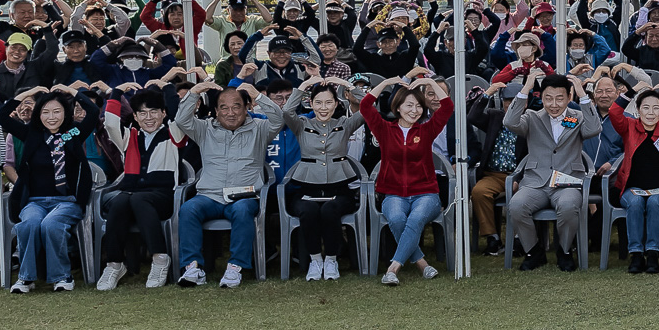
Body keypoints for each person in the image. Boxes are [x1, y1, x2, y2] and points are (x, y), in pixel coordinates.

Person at [172, 78, 276, 288]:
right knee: (188, 209)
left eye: (236, 107)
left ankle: (235, 268)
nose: (230, 113)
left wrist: (258, 96)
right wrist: (194, 92)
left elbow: (279, 119)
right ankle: (193, 268)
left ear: (247, 108)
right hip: (209, 195)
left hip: (243, 196)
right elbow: (182, 120)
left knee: (242, 211)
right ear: (216, 111)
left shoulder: (260, 128)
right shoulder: (204, 129)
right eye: (224, 108)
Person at [261, 78, 367, 281]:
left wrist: (346, 84)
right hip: (307, 187)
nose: (323, 107)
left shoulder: (345, 124)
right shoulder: (301, 124)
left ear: (337, 104)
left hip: (339, 188)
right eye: (318, 102)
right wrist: (302, 87)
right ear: (310, 103)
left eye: (328, 102)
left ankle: (331, 260)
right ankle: (315, 260)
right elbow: (286, 112)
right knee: (308, 212)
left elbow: (368, 108)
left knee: (329, 211)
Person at [0, 86, 99, 293]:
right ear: (38, 114)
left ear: (65, 113)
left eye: (56, 111)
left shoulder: (73, 134)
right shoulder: (32, 135)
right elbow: (1, 114)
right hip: (34, 200)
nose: (51, 117)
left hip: (66, 201)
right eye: (45, 112)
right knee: (29, 224)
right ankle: (26, 278)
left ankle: (62, 277)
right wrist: (29, 93)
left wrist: (71, 91)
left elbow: (94, 112)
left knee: (51, 225)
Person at [358, 72, 454, 285]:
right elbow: (365, 106)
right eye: (409, 106)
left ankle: (393, 268)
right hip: (393, 194)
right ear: (398, 107)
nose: (414, 111)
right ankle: (422, 264)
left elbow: (447, 107)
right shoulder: (384, 129)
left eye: (419, 106)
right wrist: (385, 82)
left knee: (416, 218)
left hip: (426, 194)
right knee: (397, 219)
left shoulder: (426, 129)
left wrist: (429, 82)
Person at [503, 72, 601, 271]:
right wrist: (525, 89)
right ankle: (534, 251)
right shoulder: (532, 117)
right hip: (535, 181)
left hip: (567, 181)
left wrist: (583, 95)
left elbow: (594, 129)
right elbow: (510, 123)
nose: (554, 104)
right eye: (548, 98)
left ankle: (564, 251)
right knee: (516, 205)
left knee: (567, 205)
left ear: (568, 97)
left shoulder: (578, 117)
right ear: (541, 97)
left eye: (559, 98)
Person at [93, 86, 187, 290]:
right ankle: (114, 264)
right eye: (142, 113)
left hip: (164, 196)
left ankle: (160, 259)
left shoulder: (174, 134)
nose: (149, 117)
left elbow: (179, 115)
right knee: (120, 201)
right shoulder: (130, 137)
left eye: (154, 111)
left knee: (135, 199)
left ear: (163, 113)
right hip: (133, 195)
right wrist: (116, 93)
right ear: (135, 116)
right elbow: (110, 123)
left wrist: (168, 87)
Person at [602, 81, 659, 274]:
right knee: (635, 202)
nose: (651, 112)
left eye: (656, 108)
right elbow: (614, 112)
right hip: (631, 188)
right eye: (646, 107)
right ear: (637, 110)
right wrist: (634, 90)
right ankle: (636, 255)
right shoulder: (629, 126)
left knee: (655, 201)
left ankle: (652, 254)